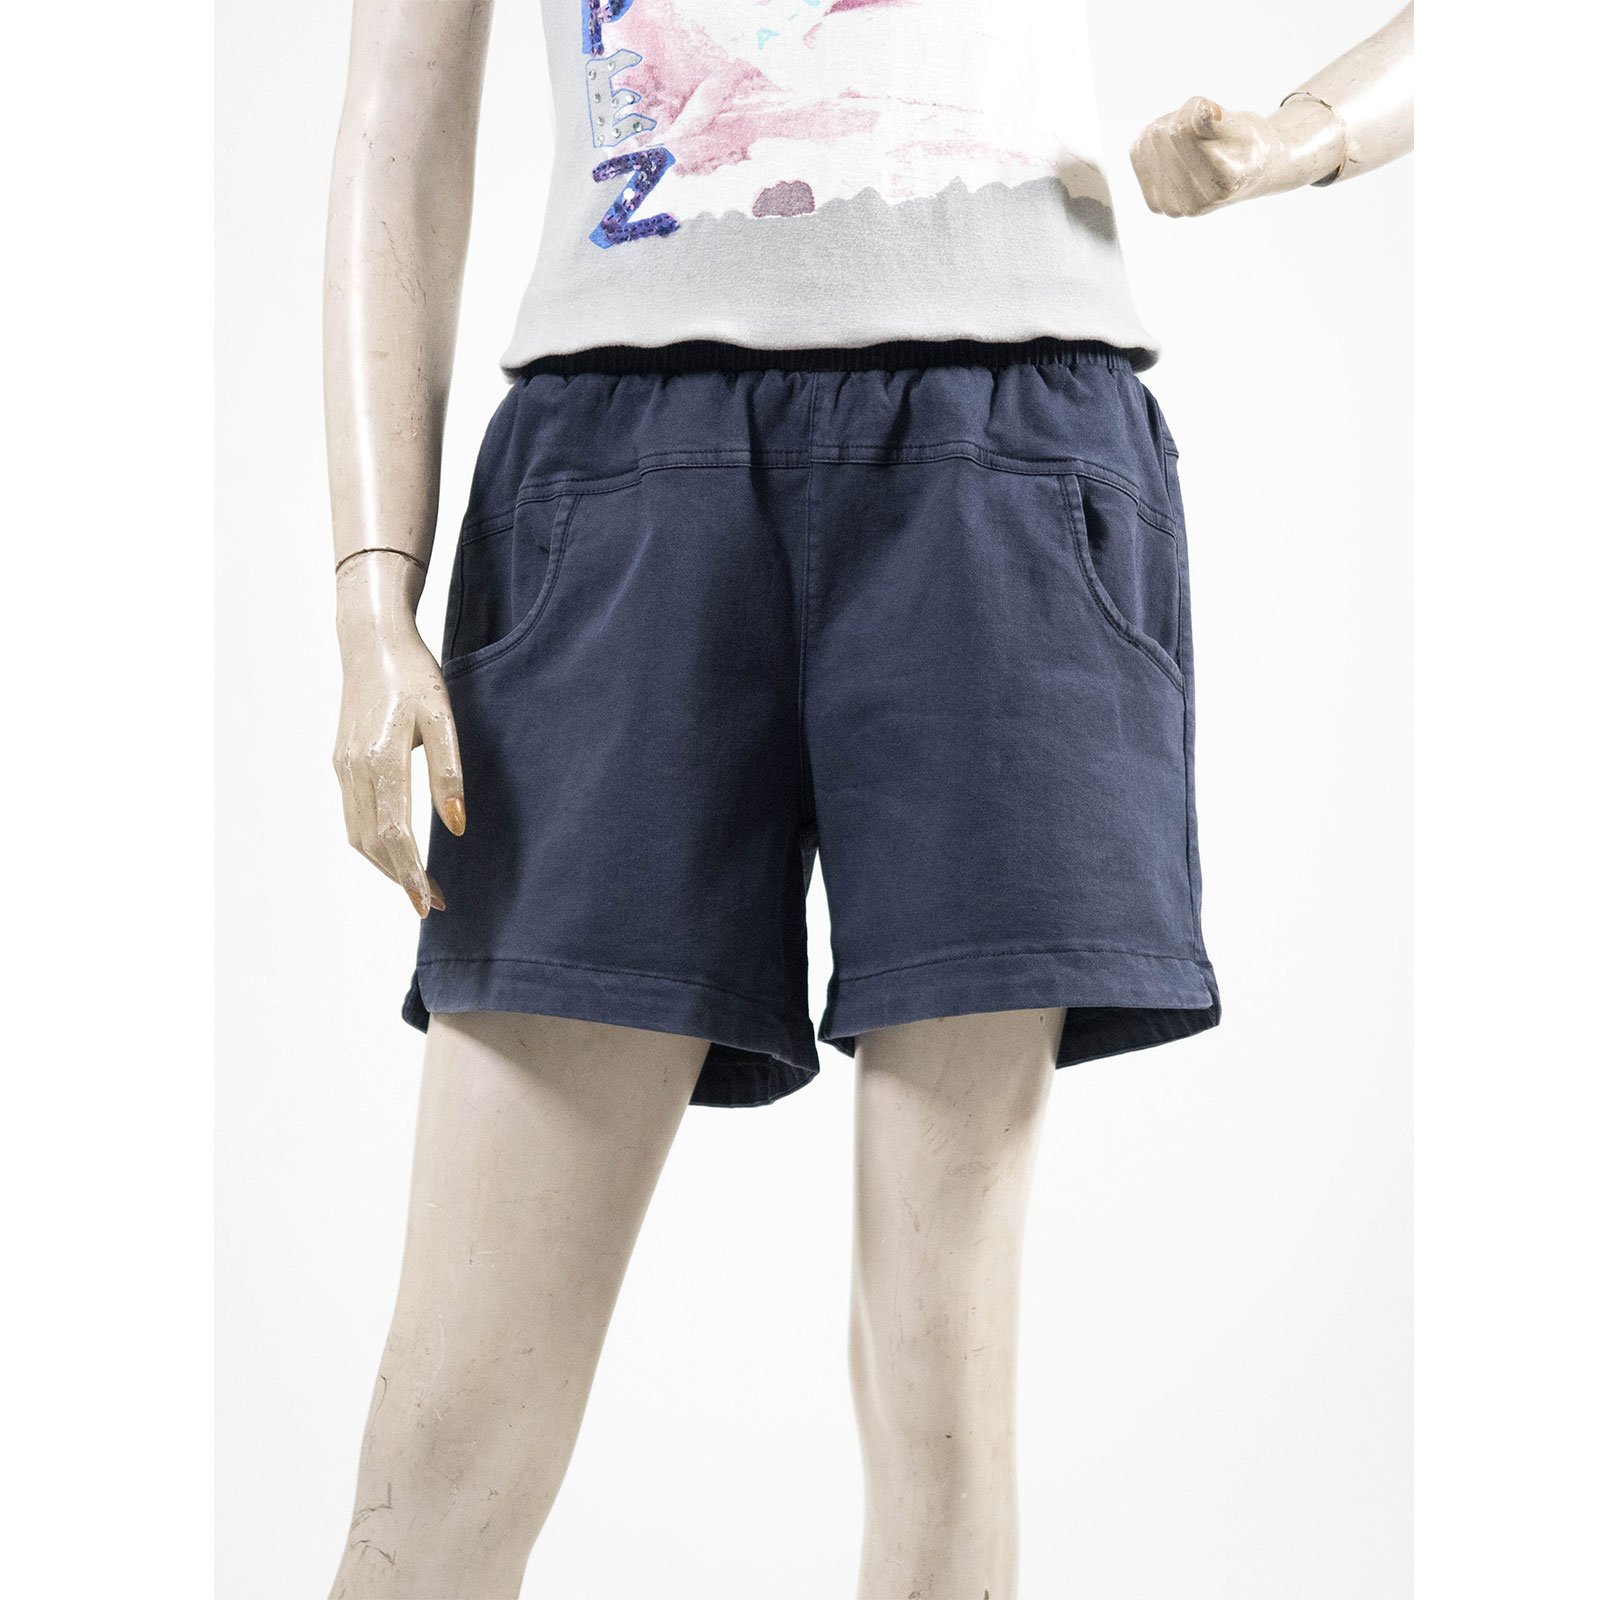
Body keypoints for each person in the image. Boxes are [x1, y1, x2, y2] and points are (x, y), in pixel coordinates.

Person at [324, 3, 1413, 1594]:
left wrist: (1297, 136)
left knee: (938, 1377)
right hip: (616, 478)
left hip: (1005, 451)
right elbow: (396, 121)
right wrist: (371, 593)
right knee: (453, 1417)